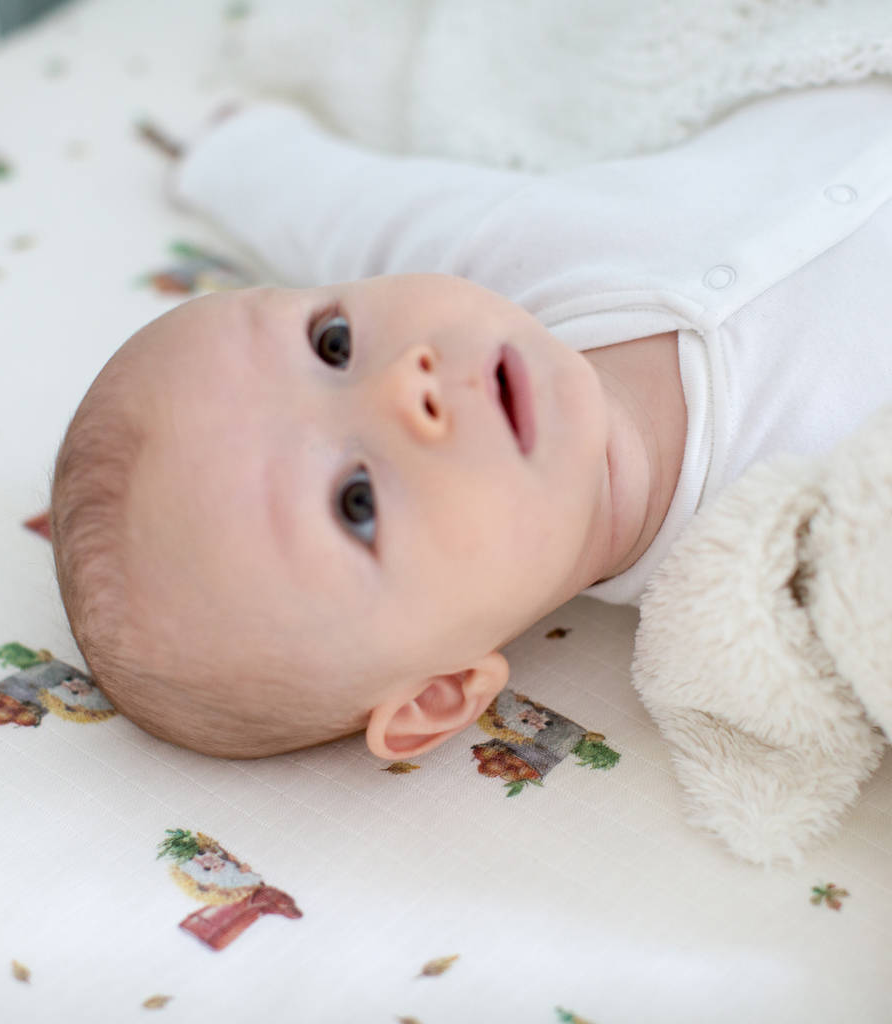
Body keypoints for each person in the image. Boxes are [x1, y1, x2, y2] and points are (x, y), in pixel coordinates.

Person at [50, 79, 892, 760]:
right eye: (356, 503)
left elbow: (356, 207)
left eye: (333, 343)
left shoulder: (510, 260)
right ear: (438, 694)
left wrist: (235, 154)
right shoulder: (788, 570)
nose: (401, 385)